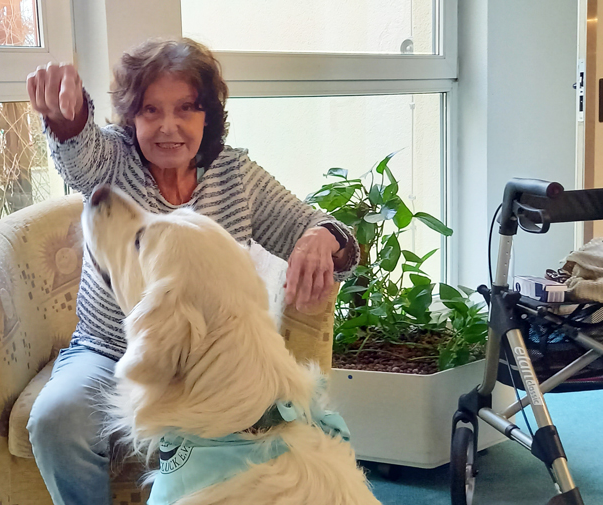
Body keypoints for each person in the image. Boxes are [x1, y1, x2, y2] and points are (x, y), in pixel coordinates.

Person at [24, 38, 360, 505]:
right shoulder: (116, 161)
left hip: (208, 364)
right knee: (56, 420)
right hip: (109, 351)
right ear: (131, 118)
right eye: (149, 111)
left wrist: (323, 237)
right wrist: (68, 117)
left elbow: (318, 227)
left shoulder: (235, 175)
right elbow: (81, 154)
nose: (169, 127)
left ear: (208, 116)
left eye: (186, 108)